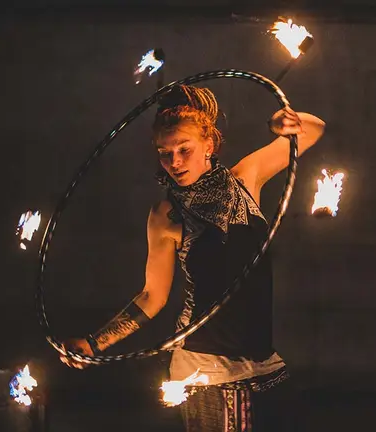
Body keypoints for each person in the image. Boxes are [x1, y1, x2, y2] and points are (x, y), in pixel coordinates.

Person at [59, 84, 326, 431]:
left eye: (184, 149)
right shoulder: (165, 215)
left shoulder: (246, 178)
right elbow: (152, 297)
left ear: (209, 146)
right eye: (164, 153)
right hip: (205, 365)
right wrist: (95, 343)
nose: (175, 162)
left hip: (261, 359)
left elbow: (312, 130)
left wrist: (281, 122)